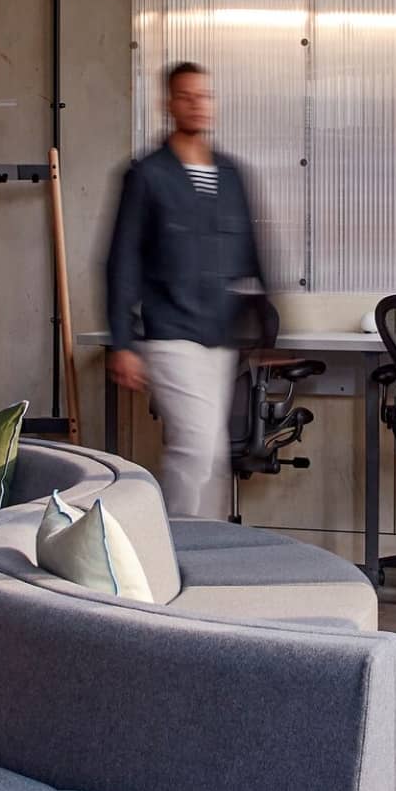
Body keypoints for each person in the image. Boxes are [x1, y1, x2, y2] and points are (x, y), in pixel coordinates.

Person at [104, 61, 270, 521]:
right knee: (198, 448)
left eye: (205, 95)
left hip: (220, 336)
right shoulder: (148, 176)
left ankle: (201, 548)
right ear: (169, 103)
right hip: (170, 331)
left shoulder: (231, 176)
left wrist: (274, 331)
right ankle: (180, 543)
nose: (198, 103)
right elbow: (121, 261)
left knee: (209, 454)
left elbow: (254, 257)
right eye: (186, 95)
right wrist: (121, 342)